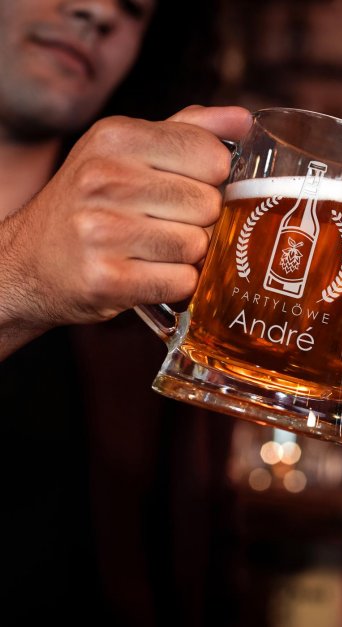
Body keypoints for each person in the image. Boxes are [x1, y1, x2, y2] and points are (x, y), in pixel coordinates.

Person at [0, 1, 251, 624]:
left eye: (135, 8)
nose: (97, 12)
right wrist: (19, 272)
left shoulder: (159, 295)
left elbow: (192, 559)